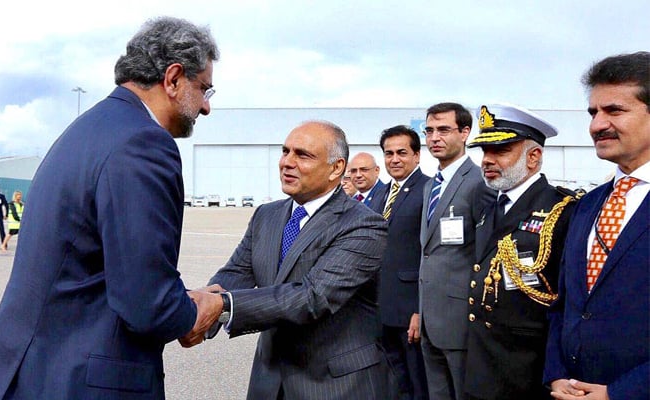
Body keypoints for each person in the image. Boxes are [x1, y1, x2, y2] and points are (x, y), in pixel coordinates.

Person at [0, 17, 223, 400]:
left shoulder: (88, 128)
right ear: (174, 78)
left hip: (22, 370)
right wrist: (199, 310)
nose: (206, 108)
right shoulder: (145, 144)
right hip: (73, 381)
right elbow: (147, 304)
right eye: (204, 89)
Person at [205, 121, 390, 400]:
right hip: (269, 380)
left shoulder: (364, 225)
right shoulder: (266, 215)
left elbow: (313, 296)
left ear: (336, 168)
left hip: (335, 385)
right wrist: (198, 308)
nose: (287, 163)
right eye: (285, 151)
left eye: (302, 155)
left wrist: (223, 305)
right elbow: (236, 271)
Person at [544, 51, 650, 400]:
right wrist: (556, 373)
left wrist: (618, 393)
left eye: (614, 111)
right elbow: (566, 304)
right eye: (593, 112)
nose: (596, 125)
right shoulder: (587, 205)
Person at [463, 104, 578, 400]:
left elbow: (568, 298)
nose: (487, 160)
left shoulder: (561, 210)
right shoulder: (490, 207)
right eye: (485, 151)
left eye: (500, 151)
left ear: (533, 156)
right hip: (483, 361)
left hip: (528, 367)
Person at [418, 103, 495, 400]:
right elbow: (427, 252)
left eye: (444, 130)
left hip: (460, 318)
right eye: (429, 131)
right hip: (429, 316)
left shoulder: (479, 182)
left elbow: (486, 253)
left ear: (465, 133)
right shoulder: (430, 186)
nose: (435, 137)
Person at [369, 125, 430, 400]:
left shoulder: (428, 190)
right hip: (380, 308)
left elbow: (431, 256)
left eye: (402, 153)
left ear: (417, 155)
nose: (394, 159)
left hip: (409, 311)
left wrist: (421, 309)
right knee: (391, 384)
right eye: (388, 153)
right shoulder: (380, 194)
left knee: (417, 383)